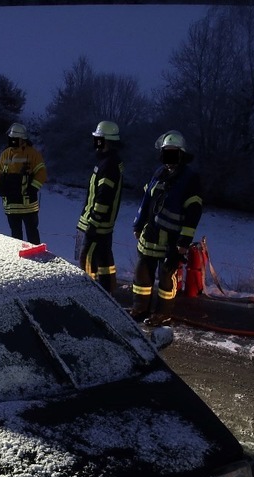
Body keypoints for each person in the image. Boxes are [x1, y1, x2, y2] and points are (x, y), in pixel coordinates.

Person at [131, 130, 202, 326]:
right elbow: (147, 201)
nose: (168, 157)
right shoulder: (159, 173)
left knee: (166, 277)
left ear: (181, 154)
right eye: (166, 152)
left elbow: (194, 213)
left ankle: (162, 314)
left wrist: (183, 244)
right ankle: (140, 308)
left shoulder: (190, 178)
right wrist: (138, 224)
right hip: (150, 235)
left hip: (172, 240)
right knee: (142, 273)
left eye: (173, 152)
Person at [76, 121, 124, 296]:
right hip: (104, 224)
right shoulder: (110, 162)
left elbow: (104, 196)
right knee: (105, 261)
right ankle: (107, 292)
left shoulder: (108, 165)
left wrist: (94, 222)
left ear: (106, 141)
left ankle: (89, 295)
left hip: (97, 224)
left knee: (87, 259)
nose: (95, 142)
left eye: (98, 139)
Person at [0, 122, 46, 243]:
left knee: (32, 234)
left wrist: (33, 188)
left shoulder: (32, 154)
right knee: (15, 238)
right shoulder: (5, 154)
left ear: (23, 140)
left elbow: (41, 172)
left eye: (15, 139)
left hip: (28, 204)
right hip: (11, 205)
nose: (12, 141)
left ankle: (36, 257)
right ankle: (19, 260)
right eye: (11, 139)